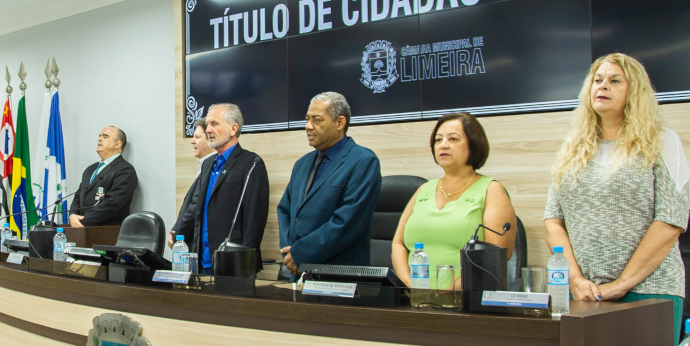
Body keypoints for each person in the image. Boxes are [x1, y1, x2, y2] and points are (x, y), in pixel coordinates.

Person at [544, 53, 690, 338]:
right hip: (584, 294)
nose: (602, 86)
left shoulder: (663, 141)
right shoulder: (572, 149)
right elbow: (553, 220)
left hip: (648, 291)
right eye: (597, 81)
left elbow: (671, 220)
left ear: (634, 93)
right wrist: (574, 279)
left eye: (614, 81)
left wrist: (623, 283)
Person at [391, 113, 516, 289]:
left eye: (453, 139)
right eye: (438, 140)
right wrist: (407, 282)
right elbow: (399, 243)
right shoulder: (423, 189)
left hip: (466, 300)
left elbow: (493, 258)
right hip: (414, 297)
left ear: (473, 144)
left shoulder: (491, 190)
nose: (443, 145)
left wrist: (449, 291)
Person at [276, 92, 382, 275]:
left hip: (338, 275)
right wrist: (290, 250)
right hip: (297, 269)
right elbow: (285, 209)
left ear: (340, 123)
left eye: (317, 120)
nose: (308, 126)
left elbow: (347, 223)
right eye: (307, 119)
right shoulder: (302, 164)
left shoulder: (363, 161)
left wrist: (301, 252)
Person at [175, 105, 269, 275]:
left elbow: (254, 220)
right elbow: (199, 214)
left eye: (214, 124)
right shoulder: (207, 165)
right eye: (208, 124)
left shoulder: (251, 163)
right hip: (202, 263)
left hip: (233, 265)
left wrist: (244, 264)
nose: (208, 129)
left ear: (233, 128)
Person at [71, 126, 138, 228]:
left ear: (118, 144)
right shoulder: (90, 169)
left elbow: (112, 205)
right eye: (100, 136)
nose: (99, 139)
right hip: (81, 230)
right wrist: (72, 215)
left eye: (105, 136)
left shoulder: (125, 170)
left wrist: (82, 222)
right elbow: (78, 196)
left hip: (106, 232)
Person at [170, 118, 213, 241]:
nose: (192, 141)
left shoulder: (214, 169)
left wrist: (178, 234)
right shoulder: (203, 166)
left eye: (197, 137)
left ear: (210, 139)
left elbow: (195, 207)